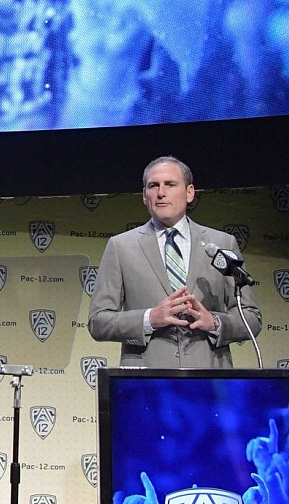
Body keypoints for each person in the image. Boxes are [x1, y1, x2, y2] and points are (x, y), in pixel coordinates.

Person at [88, 155, 261, 367]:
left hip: (210, 377)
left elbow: (251, 318)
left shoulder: (221, 243)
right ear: (144, 196)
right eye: (153, 186)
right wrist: (150, 318)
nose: (161, 193)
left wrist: (214, 322)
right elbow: (98, 322)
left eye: (170, 184)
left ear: (189, 193)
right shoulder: (120, 246)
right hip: (145, 379)